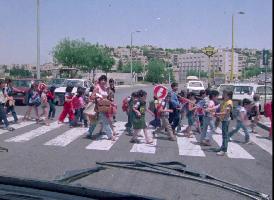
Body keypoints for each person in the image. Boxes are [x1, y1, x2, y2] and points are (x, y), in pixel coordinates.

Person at [90, 75, 115, 141]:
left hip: (105, 106)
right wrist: (97, 97)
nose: (103, 81)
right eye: (102, 80)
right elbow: (92, 96)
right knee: (106, 121)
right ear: (100, 80)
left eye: (104, 80)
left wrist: (110, 101)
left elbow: (108, 96)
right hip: (98, 107)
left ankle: (89, 133)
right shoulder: (97, 88)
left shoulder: (105, 88)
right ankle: (110, 136)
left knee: (95, 121)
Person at [215, 90, 233, 156]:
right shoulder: (224, 101)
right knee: (224, 135)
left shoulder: (229, 103)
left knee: (225, 136)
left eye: (224, 94)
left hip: (226, 120)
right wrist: (210, 109)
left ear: (228, 96)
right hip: (223, 120)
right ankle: (222, 147)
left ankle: (224, 150)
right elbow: (218, 107)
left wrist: (217, 113)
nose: (223, 95)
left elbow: (226, 112)